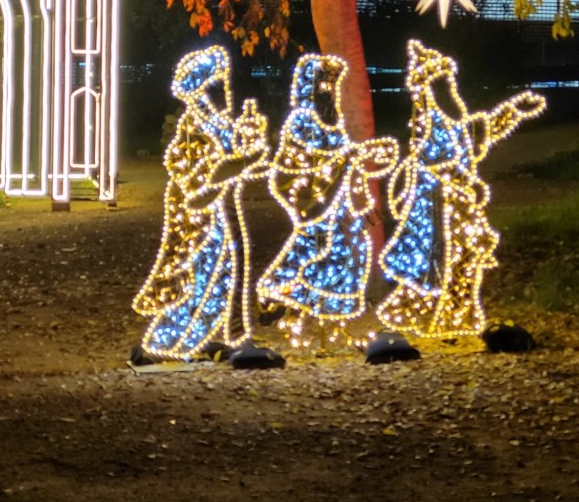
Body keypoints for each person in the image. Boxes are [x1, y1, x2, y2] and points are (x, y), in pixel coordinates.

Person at [376, 40, 545, 339]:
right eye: (441, 84)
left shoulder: (455, 123)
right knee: (449, 262)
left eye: (448, 82)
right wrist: (468, 183)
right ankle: (445, 318)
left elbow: (484, 129)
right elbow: (439, 162)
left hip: (459, 206)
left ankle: (447, 316)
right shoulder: (431, 124)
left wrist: (514, 110)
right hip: (439, 209)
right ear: (430, 90)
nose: (449, 89)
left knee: (458, 262)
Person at [133, 46, 269, 359]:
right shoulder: (194, 126)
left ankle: (231, 337)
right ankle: (163, 344)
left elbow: (237, 166)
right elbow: (208, 174)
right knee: (197, 279)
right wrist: (247, 158)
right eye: (218, 82)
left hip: (223, 210)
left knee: (224, 278)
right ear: (204, 87)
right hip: (201, 215)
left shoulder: (218, 123)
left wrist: (254, 153)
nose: (226, 89)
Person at [257, 53, 398, 328]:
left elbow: (345, 158)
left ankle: (333, 303)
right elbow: (317, 155)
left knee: (349, 248)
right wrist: (355, 155)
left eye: (332, 87)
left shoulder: (334, 122)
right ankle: (278, 295)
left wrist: (362, 192)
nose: (329, 92)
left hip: (338, 199)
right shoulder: (301, 120)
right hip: (313, 197)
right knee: (310, 248)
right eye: (324, 86)